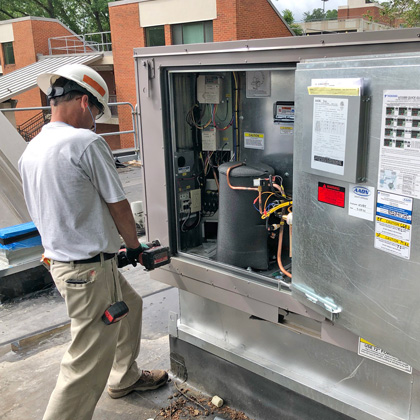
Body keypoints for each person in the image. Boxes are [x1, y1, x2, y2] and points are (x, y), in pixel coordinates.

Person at [18, 63, 168, 420]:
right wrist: (134, 247)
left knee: (129, 306)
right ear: (85, 102)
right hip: (87, 274)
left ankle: (124, 378)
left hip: (68, 263)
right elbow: (118, 205)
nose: (97, 122)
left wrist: (100, 245)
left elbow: (55, 210)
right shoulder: (85, 142)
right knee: (84, 363)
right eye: (98, 112)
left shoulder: (32, 150)